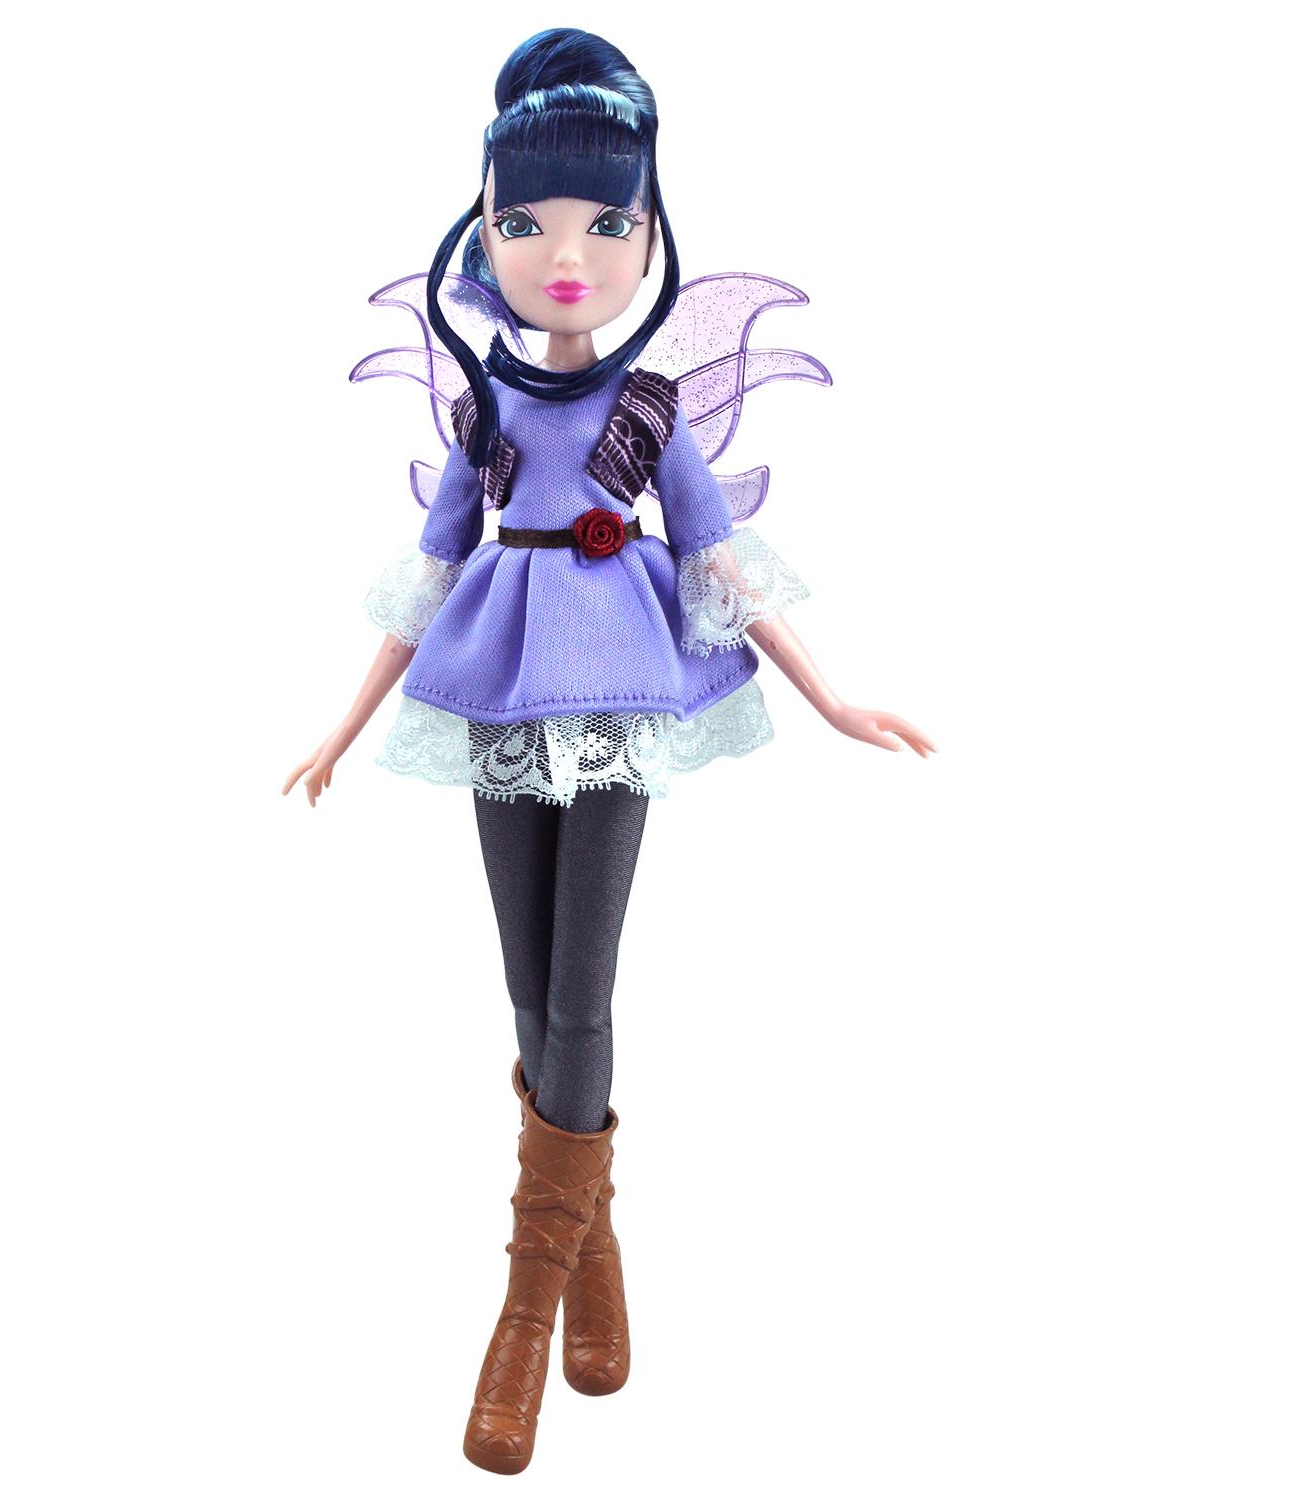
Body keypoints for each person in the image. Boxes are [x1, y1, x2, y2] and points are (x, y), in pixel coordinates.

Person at [282, 27, 935, 1476]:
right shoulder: (488, 409)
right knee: (526, 991)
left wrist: (834, 697)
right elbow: (430, 570)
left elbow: (718, 557)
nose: (567, 255)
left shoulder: (649, 410)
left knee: (581, 995)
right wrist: (340, 724)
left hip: (623, 693)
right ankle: (593, 1248)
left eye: (605, 222)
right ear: (483, 234)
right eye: (526, 225)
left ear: (648, 235)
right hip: (495, 692)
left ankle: (523, 1312)